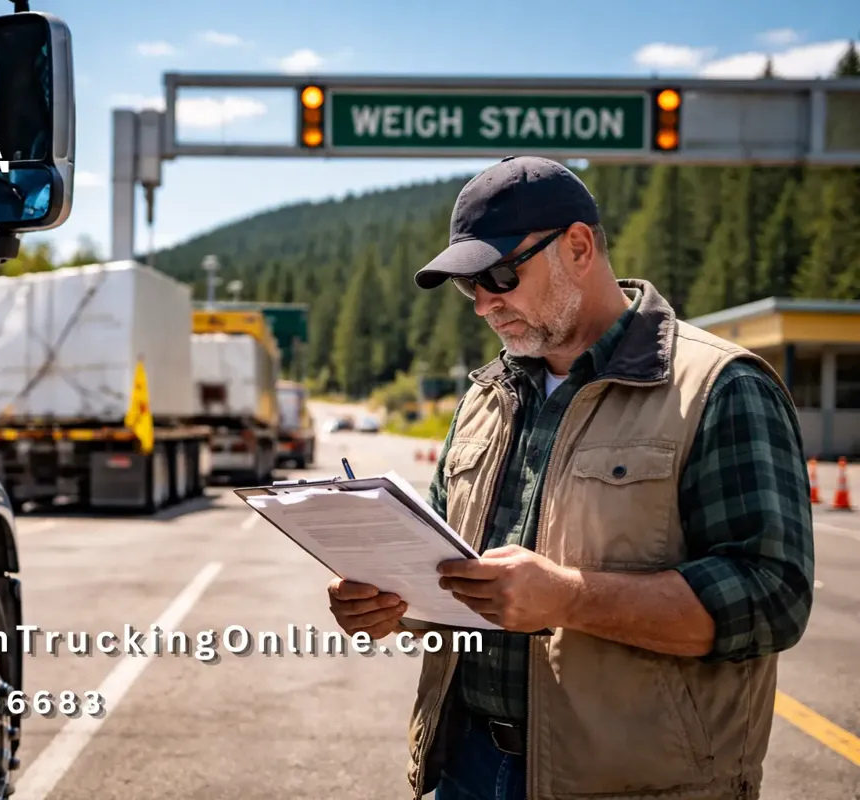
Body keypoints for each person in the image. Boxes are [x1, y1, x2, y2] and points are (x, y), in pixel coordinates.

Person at [325, 156, 814, 800]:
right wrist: (390, 602)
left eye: (499, 275)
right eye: (468, 287)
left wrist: (569, 599)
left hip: (633, 785)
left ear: (578, 246)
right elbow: (449, 570)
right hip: (463, 767)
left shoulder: (720, 387)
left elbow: (771, 597)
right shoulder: (485, 396)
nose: (484, 305)